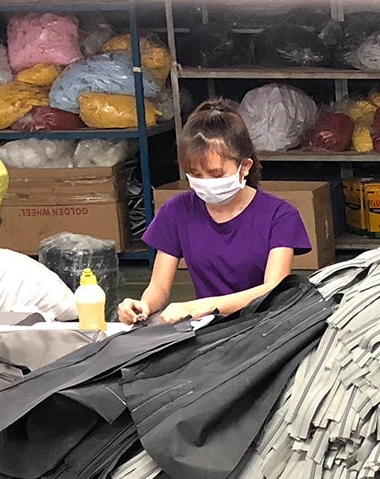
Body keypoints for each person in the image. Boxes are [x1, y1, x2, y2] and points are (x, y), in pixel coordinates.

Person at [118, 100, 311, 325]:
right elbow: (159, 286)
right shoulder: (176, 211)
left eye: (216, 174)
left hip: (264, 328)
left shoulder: (280, 215)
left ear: (245, 167)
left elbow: (273, 289)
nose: (205, 182)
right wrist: (143, 305)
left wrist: (206, 305)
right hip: (208, 328)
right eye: (195, 175)